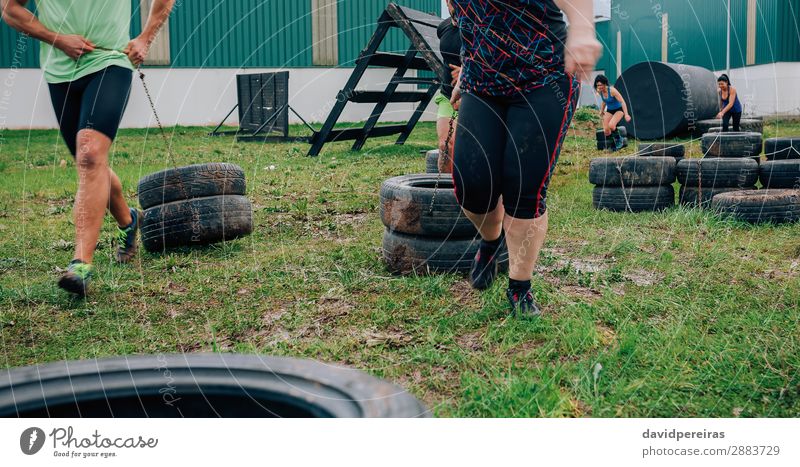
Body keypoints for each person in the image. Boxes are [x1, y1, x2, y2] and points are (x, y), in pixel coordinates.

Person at [1, 0, 175, 296]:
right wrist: (57, 39)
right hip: (60, 73)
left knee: (90, 154)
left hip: (110, 63)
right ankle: (128, 220)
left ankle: (80, 263)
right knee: (92, 164)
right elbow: (9, 9)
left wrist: (145, 38)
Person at [449, 0, 601, 316]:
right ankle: (491, 242)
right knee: (472, 186)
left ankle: (520, 286)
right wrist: (469, 64)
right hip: (483, 81)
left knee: (524, 187)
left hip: (544, 76)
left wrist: (583, 27)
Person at [434, 0, 462, 173]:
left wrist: (467, 72)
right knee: (445, 145)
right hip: (447, 95)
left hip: (474, 94)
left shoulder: (478, 27)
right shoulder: (443, 27)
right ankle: (446, 195)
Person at [594, 74, 631, 151]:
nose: (599, 87)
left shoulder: (612, 90)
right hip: (610, 110)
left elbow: (622, 102)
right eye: (598, 85)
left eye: (601, 85)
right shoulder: (600, 91)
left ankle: (619, 141)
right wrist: (601, 111)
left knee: (611, 125)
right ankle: (613, 145)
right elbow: (604, 102)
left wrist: (626, 114)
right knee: (606, 131)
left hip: (619, 109)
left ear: (605, 84)